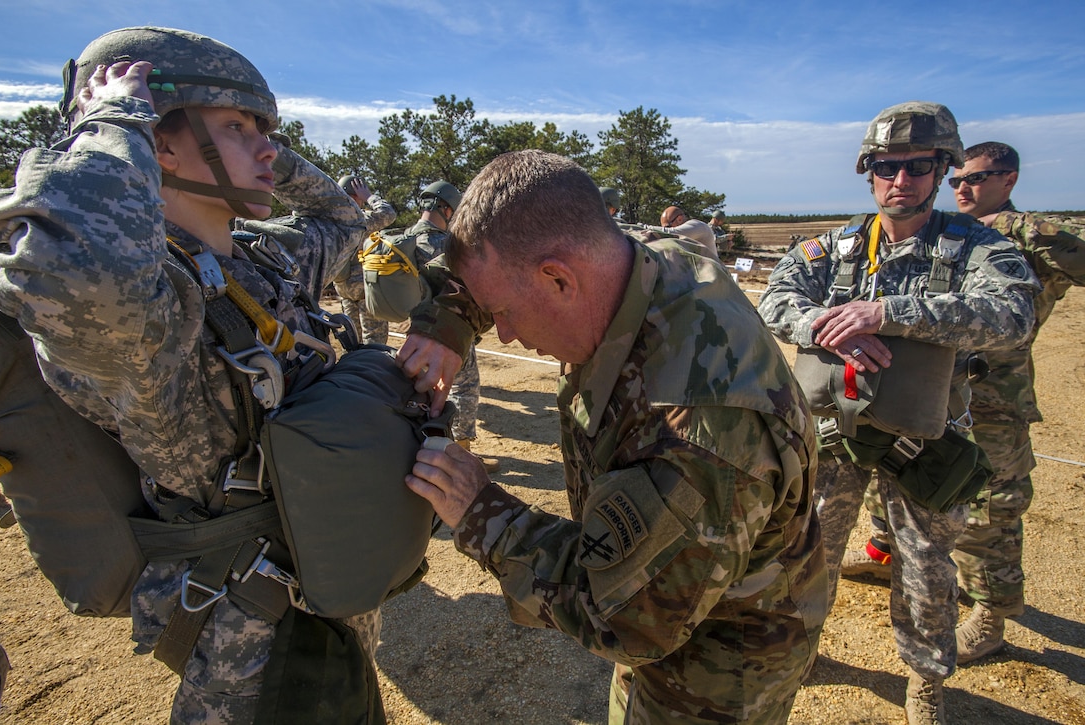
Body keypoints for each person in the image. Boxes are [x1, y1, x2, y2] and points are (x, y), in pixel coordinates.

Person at [0, 26, 456, 723]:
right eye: (238, 126)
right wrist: (111, 120)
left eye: (266, 129)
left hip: (331, 584)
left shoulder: (261, 262)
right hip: (252, 643)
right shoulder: (151, 307)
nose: (270, 146)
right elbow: (73, 267)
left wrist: (257, 144)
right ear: (158, 141)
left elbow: (339, 212)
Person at [404, 149, 828, 724]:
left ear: (558, 279)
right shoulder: (639, 261)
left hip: (718, 672)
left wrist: (482, 512)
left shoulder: (697, 433)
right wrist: (450, 326)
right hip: (674, 592)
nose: (499, 331)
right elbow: (494, 265)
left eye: (500, 312)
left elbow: (628, 623)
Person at [757, 103, 1038, 724]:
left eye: (917, 167)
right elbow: (775, 299)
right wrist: (826, 327)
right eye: (887, 166)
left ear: (940, 170)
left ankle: (925, 677)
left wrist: (887, 314)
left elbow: (1014, 316)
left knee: (926, 566)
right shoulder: (837, 246)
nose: (900, 179)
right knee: (808, 553)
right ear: (870, 171)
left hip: (927, 438)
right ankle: (797, 651)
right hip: (835, 434)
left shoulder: (977, 246)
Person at [842, 141, 1085, 664]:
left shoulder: (1030, 234)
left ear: (1010, 180)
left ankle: (990, 616)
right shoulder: (933, 229)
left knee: (987, 509)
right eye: (957, 180)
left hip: (992, 395)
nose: (962, 188)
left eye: (975, 178)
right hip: (911, 391)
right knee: (891, 478)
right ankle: (887, 556)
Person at [400, 181, 499, 473]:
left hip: (418, 328)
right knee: (465, 387)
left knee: (421, 385)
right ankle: (461, 452)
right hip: (449, 328)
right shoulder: (442, 243)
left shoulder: (406, 237)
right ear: (446, 207)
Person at [331, 174, 397, 345]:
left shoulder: (331, 219)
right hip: (365, 292)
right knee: (374, 344)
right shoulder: (359, 219)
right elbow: (388, 214)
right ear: (356, 197)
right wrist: (369, 197)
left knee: (353, 342)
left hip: (343, 289)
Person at [643, 205, 719, 261]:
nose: (665, 230)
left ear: (679, 219)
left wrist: (642, 227)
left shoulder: (698, 226)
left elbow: (672, 233)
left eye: (667, 227)